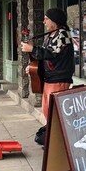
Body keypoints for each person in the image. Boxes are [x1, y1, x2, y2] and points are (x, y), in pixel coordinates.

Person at [21, 8, 74, 145]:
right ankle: (55, 141)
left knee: (55, 113)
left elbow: (52, 54)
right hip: (50, 79)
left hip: (59, 78)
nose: (44, 21)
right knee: (47, 111)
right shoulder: (51, 35)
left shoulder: (63, 34)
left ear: (54, 21)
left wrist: (32, 49)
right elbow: (45, 57)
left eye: (46, 19)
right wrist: (33, 66)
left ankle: (59, 143)